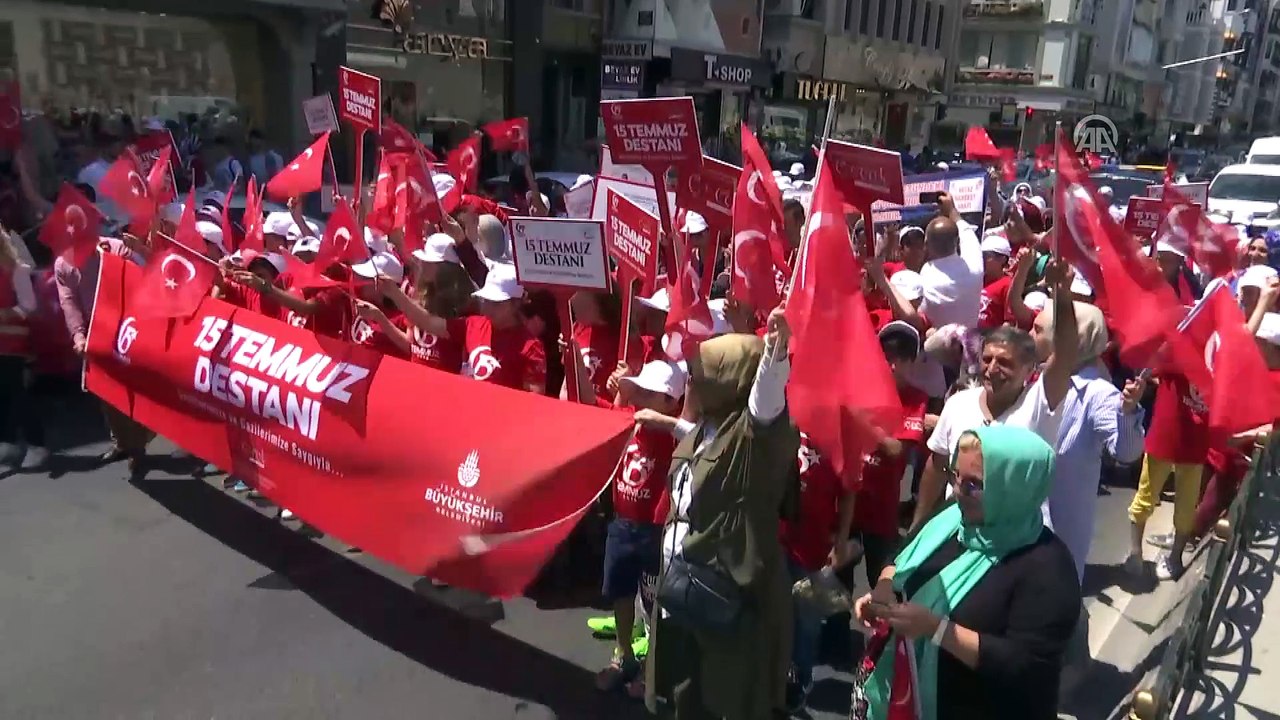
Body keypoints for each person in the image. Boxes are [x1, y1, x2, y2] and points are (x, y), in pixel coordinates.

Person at [853, 426, 1081, 720]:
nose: (959, 489)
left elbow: (1025, 666)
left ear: (1013, 488)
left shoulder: (1048, 568)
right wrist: (884, 588)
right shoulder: (952, 517)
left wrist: (935, 628)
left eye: (974, 484)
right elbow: (902, 553)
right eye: (956, 475)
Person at [646, 308, 801, 720]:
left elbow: (765, 397)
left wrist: (775, 351)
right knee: (685, 693)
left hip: (726, 595)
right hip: (683, 588)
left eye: (707, 372)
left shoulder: (755, 437)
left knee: (728, 698)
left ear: (732, 380)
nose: (695, 380)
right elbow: (696, 454)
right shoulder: (707, 426)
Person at [911, 260, 1079, 533]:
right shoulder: (957, 404)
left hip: (1018, 538)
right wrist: (919, 526)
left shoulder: (1039, 403)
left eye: (1005, 363)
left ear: (1030, 369)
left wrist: (1062, 293)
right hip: (959, 533)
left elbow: (1067, 351)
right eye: (986, 359)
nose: (991, 369)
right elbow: (937, 464)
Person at [586, 359, 684, 694]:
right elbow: (588, 404)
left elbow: (698, 434)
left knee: (657, 603)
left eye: (650, 393)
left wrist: (666, 421)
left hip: (655, 533)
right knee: (621, 593)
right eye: (640, 389)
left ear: (672, 401)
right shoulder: (628, 419)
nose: (641, 396)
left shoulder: (676, 435)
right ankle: (624, 653)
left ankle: (652, 670)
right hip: (622, 525)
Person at [1032, 301, 1147, 580]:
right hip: (1026, 517)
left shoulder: (1098, 394)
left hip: (1061, 529)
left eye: (1038, 330)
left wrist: (1127, 413)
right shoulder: (1037, 374)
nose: (1030, 335)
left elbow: (1127, 452)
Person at [54, 236, 153, 473]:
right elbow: (69, 303)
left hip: (129, 326)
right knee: (105, 392)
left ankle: (137, 447)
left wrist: (131, 253)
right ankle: (122, 443)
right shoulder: (62, 264)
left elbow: (144, 275)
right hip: (94, 331)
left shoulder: (114, 248)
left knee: (134, 391)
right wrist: (79, 337)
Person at [0, 228, 44, 470]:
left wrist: (8, 313)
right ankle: (7, 441)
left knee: (17, 393)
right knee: (3, 394)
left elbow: (29, 304)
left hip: (14, 340)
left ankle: (37, 444)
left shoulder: (17, 270)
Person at [919, 194, 984, 329]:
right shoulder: (974, 268)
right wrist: (951, 209)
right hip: (970, 343)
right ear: (958, 242)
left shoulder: (926, 277)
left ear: (926, 244)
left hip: (938, 347)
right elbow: (966, 232)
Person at [978, 233, 1013, 330]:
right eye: (981, 256)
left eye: (987, 256)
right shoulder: (977, 280)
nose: (982, 259)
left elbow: (1009, 322)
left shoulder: (1008, 285)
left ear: (1002, 259)